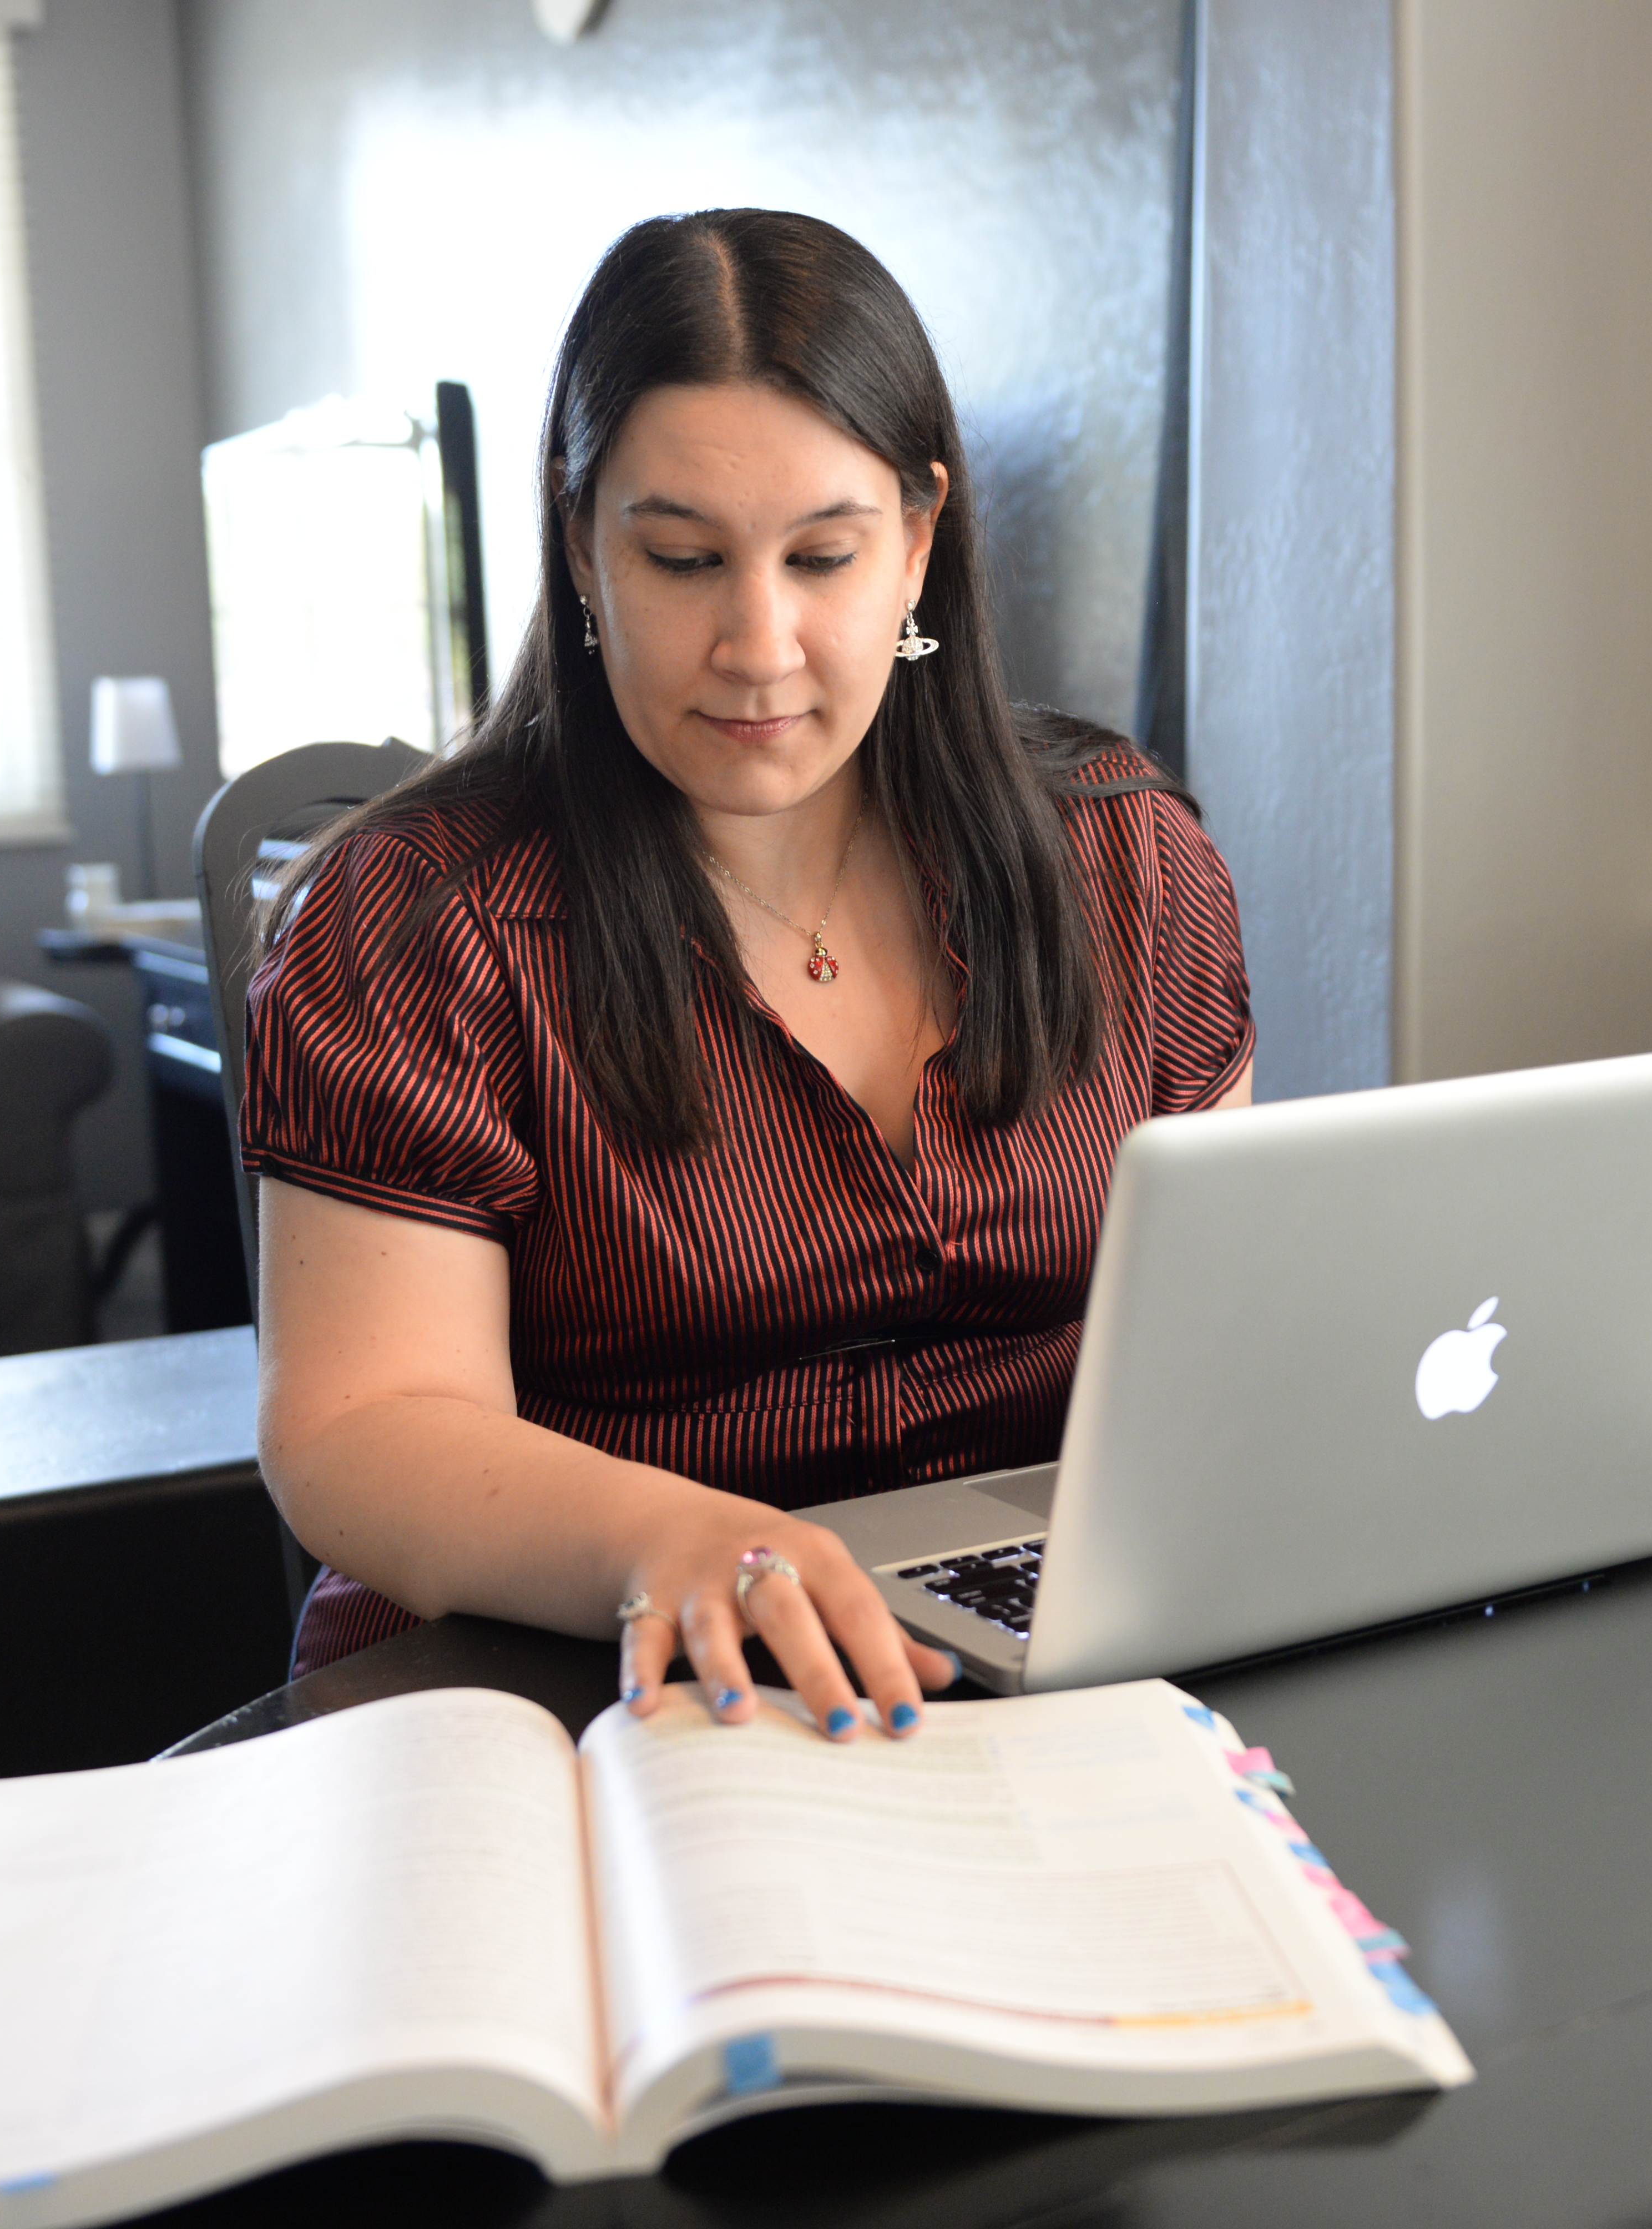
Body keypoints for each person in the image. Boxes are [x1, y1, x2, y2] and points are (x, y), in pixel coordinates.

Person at [243, 208, 1253, 1749]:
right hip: (564, 1680)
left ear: (920, 540)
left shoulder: (1126, 859)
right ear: (581, 543)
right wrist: (674, 1541)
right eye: (683, 559)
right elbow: (363, 1432)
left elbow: (1225, 1323)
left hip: (1026, 1670)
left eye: (826, 557)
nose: (759, 645)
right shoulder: (416, 919)